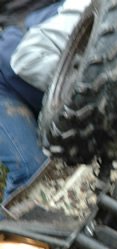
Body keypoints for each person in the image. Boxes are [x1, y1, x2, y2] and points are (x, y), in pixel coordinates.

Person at [0, 0, 90, 205]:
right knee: (31, 173)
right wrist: (80, 91)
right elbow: (25, 60)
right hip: (7, 78)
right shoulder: (85, 9)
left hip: (32, 88)